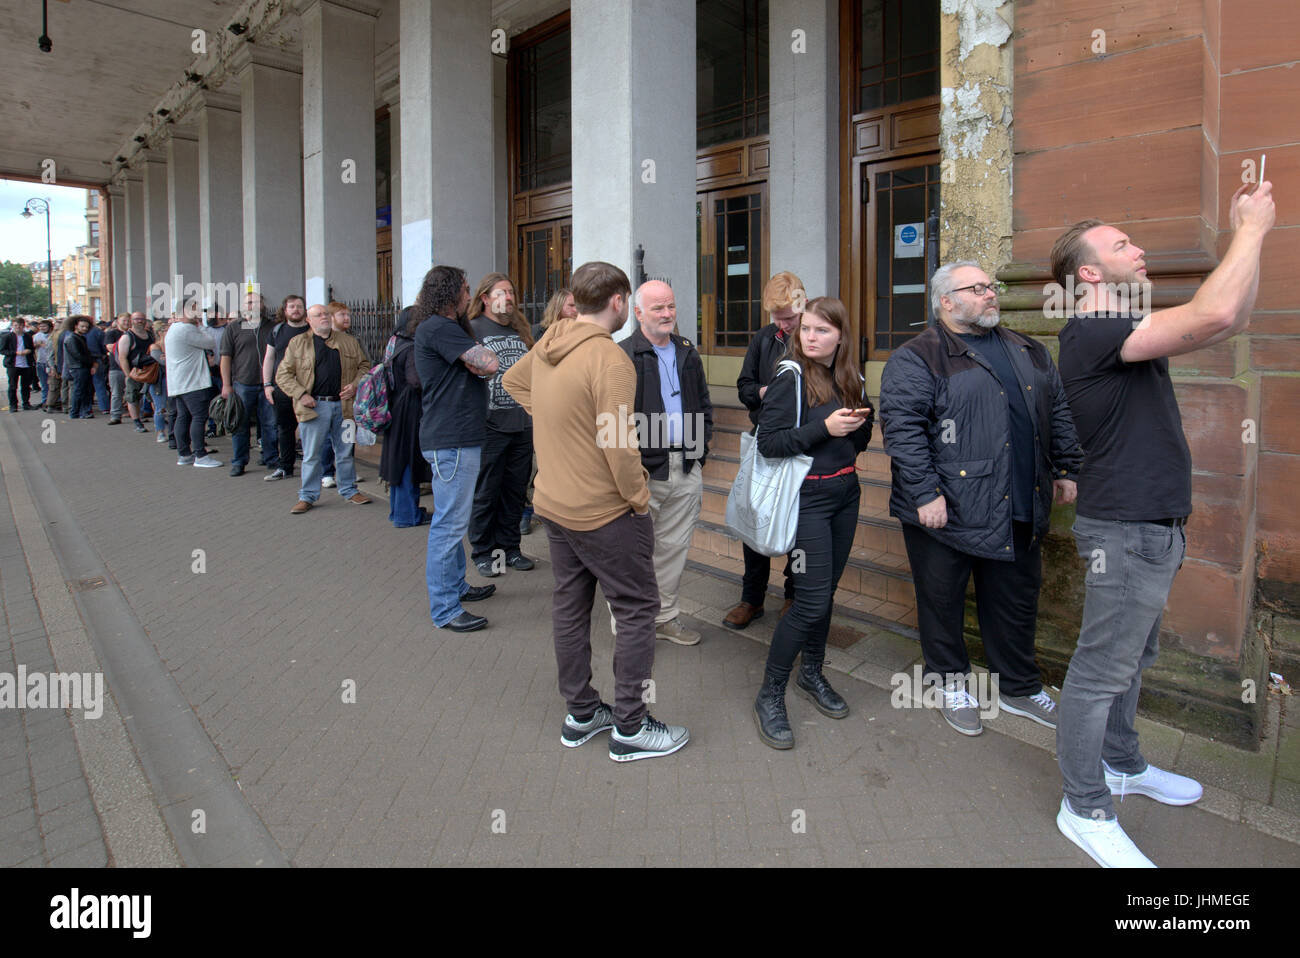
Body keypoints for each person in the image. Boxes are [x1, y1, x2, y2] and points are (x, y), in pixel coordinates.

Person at [1051, 181, 1275, 867]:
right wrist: (1252, 228)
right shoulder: (1092, 330)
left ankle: (1121, 764)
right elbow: (1213, 315)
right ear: (1088, 272)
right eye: (1122, 244)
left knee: (1134, 660)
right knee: (1098, 672)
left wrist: (1251, 240)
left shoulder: (1120, 331)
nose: (1139, 248)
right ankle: (1083, 805)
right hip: (1123, 533)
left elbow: (1229, 315)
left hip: (1153, 529)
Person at [879, 262, 1083, 739]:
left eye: (992, 286)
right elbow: (903, 430)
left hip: (1018, 498)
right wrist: (925, 491)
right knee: (942, 600)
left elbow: (1058, 408)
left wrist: (1068, 464)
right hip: (945, 508)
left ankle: (1018, 686)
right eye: (978, 288)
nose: (991, 294)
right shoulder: (918, 356)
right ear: (945, 301)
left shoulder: (1025, 347)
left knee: (1015, 600)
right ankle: (950, 683)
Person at [504, 260, 690, 762]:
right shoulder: (609, 359)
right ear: (618, 302)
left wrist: (558, 425)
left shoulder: (551, 340)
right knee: (636, 611)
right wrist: (638, 498)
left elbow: (514, 383)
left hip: (554, 504)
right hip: (603, 511)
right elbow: (618, 443)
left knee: (570, 605)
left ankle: (582, 714)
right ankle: (630, 726)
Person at [749, 297, 871, 750]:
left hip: (846, 493)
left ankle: (812, 675)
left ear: (841, 334)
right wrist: (825, 430)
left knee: (825, 594)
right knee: (809, 602)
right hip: (807, 501)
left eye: (822, 330)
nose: (812, 338)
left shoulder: (848, 375)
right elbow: (770, 443)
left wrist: (859, 423)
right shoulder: (790, 377)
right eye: (806, 330)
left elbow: (859, 439)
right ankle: (770, 694)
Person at [615, 279, 712, 646]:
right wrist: (628, 467)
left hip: (685, 465)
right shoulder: (622, 354)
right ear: (638, 313)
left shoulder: (687, 351)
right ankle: (631, 626)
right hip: (642, 470)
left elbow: (703, 404)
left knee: (673, 548)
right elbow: (614, 417)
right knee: (633, 553)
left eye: (670, 305)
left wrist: (699, 451)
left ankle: (665, 616)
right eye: (658, 308)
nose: (667, 313)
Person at [411, 266, 498, 632]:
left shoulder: (443, 328)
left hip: (456, 439)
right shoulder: (439, 327)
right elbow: (489, 364)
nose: (470, 295)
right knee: (448, 525)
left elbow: (479, 367)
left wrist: (475, 358)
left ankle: (456, 587)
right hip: (453, 441)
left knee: (453, 521)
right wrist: (479, 357)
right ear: (449, 293)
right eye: (465, 289)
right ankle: (445, 609)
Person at [725, 271, 805, 630]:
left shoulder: (816, 335)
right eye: (777, 317)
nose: (784, 324)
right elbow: (743, 385)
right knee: (755, 515)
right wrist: (761, 393)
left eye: (789, 316)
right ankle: (752, 598)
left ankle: (794, 594)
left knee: (799, 526)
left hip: (804, 445)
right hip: (763, 441)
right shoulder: (763, 338)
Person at [467, 273, 537, 577]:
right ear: (484, 298)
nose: (508, 298)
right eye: (501, 293)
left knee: (514, 491)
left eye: (511, 292)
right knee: (487, 492)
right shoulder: (471, 330)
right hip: (489, 426)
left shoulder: (521, 329)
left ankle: (510, 549)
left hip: (522, 425)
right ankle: (484, 552)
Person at [274, 304, 372, 514]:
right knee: (311, 454)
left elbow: (365, 366)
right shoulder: (298, 343)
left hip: (345, 407)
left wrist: (355, 384)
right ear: (309, 320)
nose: (324, 318)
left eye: (326, 314)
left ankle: (349, 490)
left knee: (345, 451)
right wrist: (301, 394)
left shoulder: (348, 341)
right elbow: (282, 375)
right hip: (314, 408)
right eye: (318, 315)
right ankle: (307, 496)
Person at [522, 288, 577, 535]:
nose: (576, 311)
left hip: (570, 414)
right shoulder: (537, 334)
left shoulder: (582, 337)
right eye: (571, 306)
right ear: (557, 309)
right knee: (535, 465)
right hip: (543, 411)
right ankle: (527, 511)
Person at [378, 307, 430, 528]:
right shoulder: (411, 347)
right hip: (409, 411)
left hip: (396, 408)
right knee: (408, 462)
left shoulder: (393, 342)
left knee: (397, 462)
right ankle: (407, 515)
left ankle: (398, 511)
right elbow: (416, 380)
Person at [220, 292, 278, 477]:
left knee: (270, 424)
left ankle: (271, 458)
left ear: (263, 303)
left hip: (268, 384)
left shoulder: (273, 327)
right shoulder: (233, 327)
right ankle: (239, 461)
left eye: (257, 301)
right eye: (249, 302)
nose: (253, 305)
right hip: (243, 384)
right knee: (240, 425)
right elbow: (225, 358)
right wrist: (226, 384)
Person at [166, 299, 223, 468]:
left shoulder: (174, 329)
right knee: (199, 417)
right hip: (192, 382)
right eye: (195, 310)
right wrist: (201, 325)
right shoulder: (187, 329)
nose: (199, 313)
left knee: (183, 417)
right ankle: (200, 455)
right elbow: (210, 342)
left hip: (180, 382)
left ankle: (184, 454)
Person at [261, 295, 309, 480]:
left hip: (308, 388)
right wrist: (267, 385)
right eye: (291, 306)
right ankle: (285, 466)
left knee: (310, 427)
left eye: (299, 306)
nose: (296, 309)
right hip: (282, 387)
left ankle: (317, 468)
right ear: (285, 310)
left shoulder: (311, 330)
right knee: (285, 428)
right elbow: (269, 358)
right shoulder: (276, 331)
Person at [118, 312, 157, 433]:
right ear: (131, 321)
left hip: (151, 371)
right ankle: (137, 422)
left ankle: (158, 419)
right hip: (135, 372)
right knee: (133, 398)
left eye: (142, 319)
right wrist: (128, 374)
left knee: (154, 397)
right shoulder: (127, 337)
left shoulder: (150, 335)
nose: (139, 321)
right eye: (136, 319)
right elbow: (122, 357)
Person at [1, 317, 39, 412]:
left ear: (24, 326)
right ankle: (13, 405)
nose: (18, 327)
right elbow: (2, 350)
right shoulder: (7, 337)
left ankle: (26, 403)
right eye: (16, 325)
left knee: (26, 385)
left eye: (20, 325)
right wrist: (16, 353)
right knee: (13, 386)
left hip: (26, 364)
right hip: (13, 364)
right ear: (13, 326)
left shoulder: (27, 336)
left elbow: (31, 348)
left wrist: (29, 351)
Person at [62, 316, 97, 419]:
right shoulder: (72, 338)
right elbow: (78, 355)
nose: (85, 329)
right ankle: (76, 412)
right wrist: (92, 362)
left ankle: (81, 411)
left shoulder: (78, 337)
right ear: (76, 326)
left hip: (80, 367)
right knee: (80, 390)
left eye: (86, 327)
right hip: (78, 367)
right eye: (82, 326)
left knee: (83, 390)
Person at [105, 313, 130, 423]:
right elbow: (110, 347)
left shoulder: (132, 333)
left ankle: (136, 414)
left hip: (131, 367)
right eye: (124, 320)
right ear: (118, 321)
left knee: (133, 392)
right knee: (116, 393)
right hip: (116, 368)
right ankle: (115, 415)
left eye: (128, 320)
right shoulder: (111, 333)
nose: (126, 323)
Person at [148, 320, 169, 442]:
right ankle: (160, 432)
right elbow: (162, 362)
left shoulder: (171, 344)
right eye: (166, 330)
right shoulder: (155, 346)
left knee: (172, 407)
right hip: (158, 381)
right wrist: (169, 358)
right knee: (160, 407)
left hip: (171, 378)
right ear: (160, 332)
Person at [86, 318, 109, 413]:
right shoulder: (98, 332)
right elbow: (104, 346)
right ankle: (104, 407)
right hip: (97, 358)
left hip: (84, 360)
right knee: (100, 383)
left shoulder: (77, 333)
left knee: (85, 385)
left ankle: (87, 407)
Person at [33, 319, 54, 409]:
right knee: (44, 383)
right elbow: (32, 348)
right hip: (41, 362)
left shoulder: (53, 335)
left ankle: (55, 401)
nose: (42, 328)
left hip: (51, 362)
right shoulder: (37, 336)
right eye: (41, 326)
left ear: (49, 327)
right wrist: (37, 345)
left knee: (53, 384)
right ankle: (44, 401)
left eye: (44, 326)